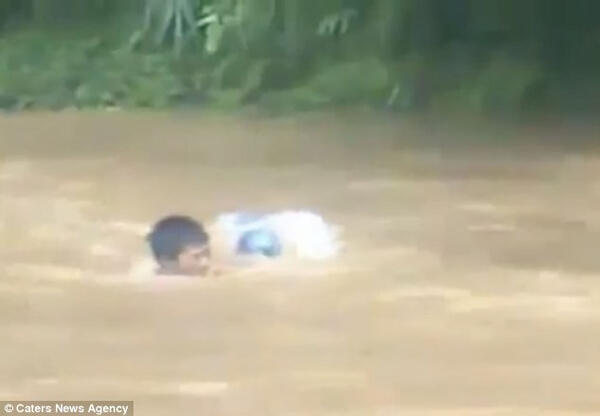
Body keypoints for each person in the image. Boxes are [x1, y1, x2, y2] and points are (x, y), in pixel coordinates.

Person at [146, 211, 340, 276]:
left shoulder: (216, 269)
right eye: (196, 257)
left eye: (206, 253)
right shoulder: (153, 277)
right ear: (166, 261)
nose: (205, 262)